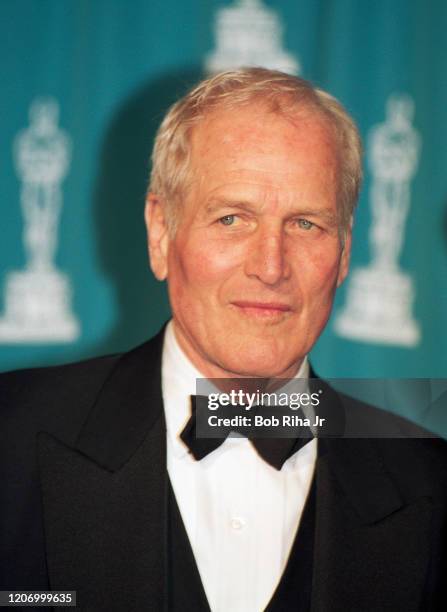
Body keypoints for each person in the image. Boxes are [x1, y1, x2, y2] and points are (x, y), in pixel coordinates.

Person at [1, 68, 446, 612]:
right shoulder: (11, 440)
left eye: (306, 224)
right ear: (161, 233)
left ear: (346, 253)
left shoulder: (431, 485)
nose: (271, 266)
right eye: (233, 218)